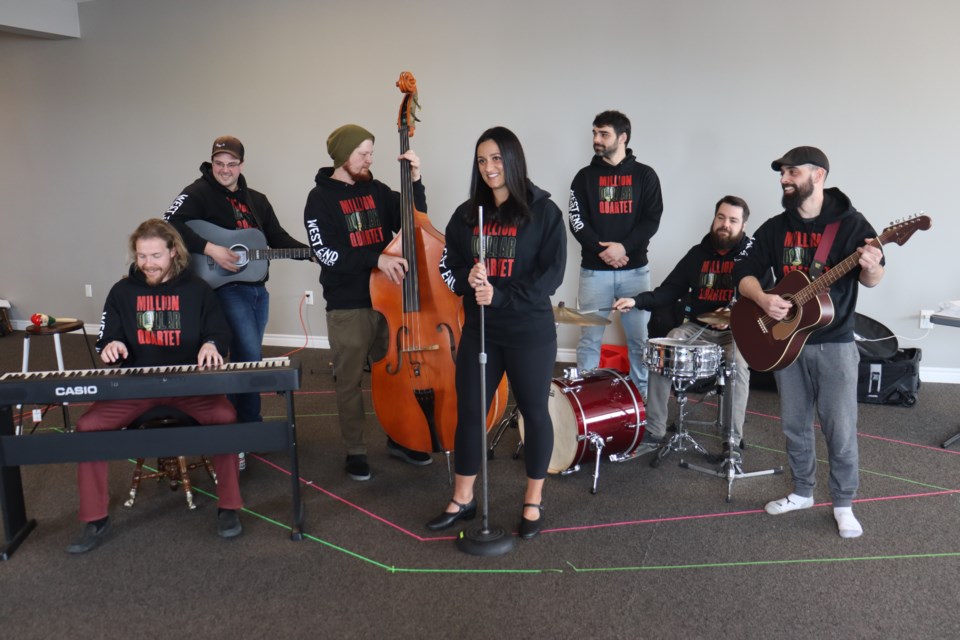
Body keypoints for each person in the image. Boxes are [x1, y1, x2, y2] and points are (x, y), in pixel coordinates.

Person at [734, 146, 884, 539]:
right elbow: (744, 273)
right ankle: (802, 491)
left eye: (792, 172)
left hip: (834, 344)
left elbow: (872, 279)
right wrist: (763, 298)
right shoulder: (774, 227)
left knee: (840, 427)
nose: (784, 179)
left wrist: (871, 268)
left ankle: (844, 503)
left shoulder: (851, 224)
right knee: (794, 424)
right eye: (782, 173)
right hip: (786, 344)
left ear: (818, 176)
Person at [68, 219, 242, 554]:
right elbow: (107, 336)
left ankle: (229, 508)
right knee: (87, 427)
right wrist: (111, 347)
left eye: (155, 255)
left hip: (191, 386)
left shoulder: (198, 290)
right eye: (142, 256)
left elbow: (220, 333)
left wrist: (211, 345)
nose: (148, 263)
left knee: (226, 418)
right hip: (136, 386)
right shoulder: (122, 291)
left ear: (173, 252)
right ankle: (95, 518)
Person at [427, 126, 566, 540]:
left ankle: (533, 500)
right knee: (470, 412)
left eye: (496, 159)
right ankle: (463, 498)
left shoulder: (544, 212)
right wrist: (467, 280)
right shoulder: (468, 214)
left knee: (533, 413)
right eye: (482, 160)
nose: (489, 168)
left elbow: (551, 277)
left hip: (528, 332)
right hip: (481, 332)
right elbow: (448, 267)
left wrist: (500, 295)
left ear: (513, 160)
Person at [302, 124, 433, 481]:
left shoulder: (377, 190)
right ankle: (355, 450)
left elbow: (414, 223)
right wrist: (377, 260)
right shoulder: (320, 199)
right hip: (349, 303)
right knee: (349, 381)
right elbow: (326, 253)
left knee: (395, 376)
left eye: (371, 152)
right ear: (343, 156)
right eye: (363, 153)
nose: (369, 159)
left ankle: (399, 437)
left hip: (389, 301)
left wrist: (415, 181)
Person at [165, 135, 311, 453]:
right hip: (224, 288)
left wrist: (308, 252)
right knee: (249, 359)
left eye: (232, 164)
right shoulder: (198, 192)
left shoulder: (256, 200)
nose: (225, 170)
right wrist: (211, 248)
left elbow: (276, 236)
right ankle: (246, 430)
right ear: (212, 163)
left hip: (257, 289)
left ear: (241, 165)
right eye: (219, 164)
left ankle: (237, 428)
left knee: (247, 358)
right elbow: (169, 224)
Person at [614, 195, 754, 457]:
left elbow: (764, 297)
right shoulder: (697, 255)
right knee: (664, 348)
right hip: (698, 328)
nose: (725, 224)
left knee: (738, 361)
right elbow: (669, 290)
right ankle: (655, 430)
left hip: (734, 332)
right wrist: (636, 300)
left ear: (743, 225)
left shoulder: (751, 257)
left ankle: (731, 440)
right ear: (714, 219)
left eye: (733, 220)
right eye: (721, 217)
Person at [569, 110, 663, 398]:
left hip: (634, 271)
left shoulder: (645, 175)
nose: (596, 139)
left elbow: (652, 219)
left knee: (638, 340)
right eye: (595, 133)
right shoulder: (584, 177)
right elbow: (576, 220)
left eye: (604, 134)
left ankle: (641, 402)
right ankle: (584, 401)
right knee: (589, 340)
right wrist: (605, 251)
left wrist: (624, 248)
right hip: (594, 272)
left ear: (622, 138)